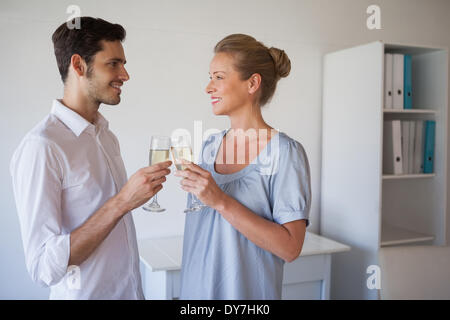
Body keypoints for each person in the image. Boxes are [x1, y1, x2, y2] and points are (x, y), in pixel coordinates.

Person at [10, 17, 171, 299]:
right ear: (78, 65)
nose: (125, 75)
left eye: (123, 63)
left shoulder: (106, 136)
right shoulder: (42, 147)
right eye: (113, 63)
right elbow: (43, 268)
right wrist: (123, 202)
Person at [176, 34, 312, 299]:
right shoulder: (210, 146)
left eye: (218, 77)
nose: (208, 87)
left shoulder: (285, 153)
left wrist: (221, 201)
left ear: (252, 83)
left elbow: (290, 248)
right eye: (210, 76)